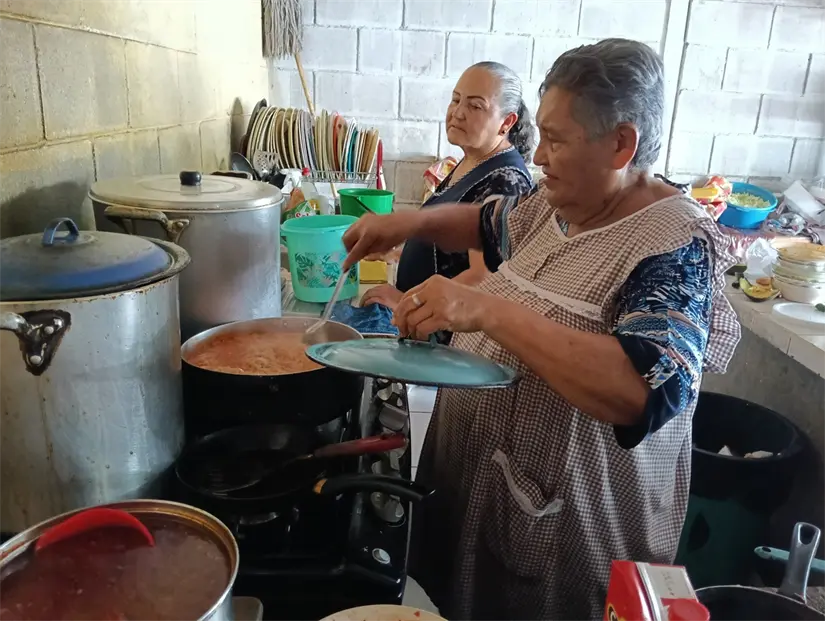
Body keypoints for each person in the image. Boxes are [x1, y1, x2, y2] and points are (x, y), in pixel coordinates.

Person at [343, 39, 741, 620]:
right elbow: (487, 221)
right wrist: (406, 222)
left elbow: (641, 391)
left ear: (620, 145)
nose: (540, 157)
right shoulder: (563, 203)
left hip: (569, 530)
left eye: (556, 139)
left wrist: (486, 311)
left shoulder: (674, 244)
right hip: (488, 488)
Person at [360, 61, 535, 313]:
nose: (458, 113)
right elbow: (452, 257)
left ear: (506, 122)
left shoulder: (506, 182)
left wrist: (406, 303)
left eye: (475, 105)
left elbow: (482, 278)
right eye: (455, 100)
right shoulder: (472, 160)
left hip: (447, 337)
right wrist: (397, 253)